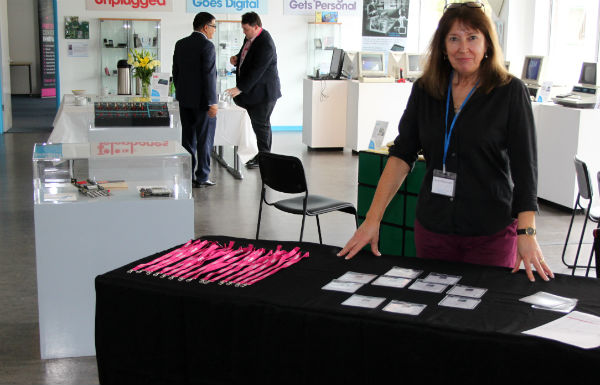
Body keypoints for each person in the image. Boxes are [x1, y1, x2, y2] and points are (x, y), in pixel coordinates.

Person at [338, 2, 554, 283]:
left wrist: (527, 232)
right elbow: (402, 154)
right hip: (434, 229)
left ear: (487, 44)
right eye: (454, 39)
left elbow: (526, 166)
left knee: (483, 315)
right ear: (443, 46)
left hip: (489, 232)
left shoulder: (509, 92)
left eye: (472, 38)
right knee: (430, 312)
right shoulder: (426, 90)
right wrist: (372, 219)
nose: (463, 48)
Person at [225, 12, 282, 169]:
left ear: (256, 27)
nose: (244, 32)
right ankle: (263, 155)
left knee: (261, 125)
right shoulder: (250, 37)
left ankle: (265, 158)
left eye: (246, 29)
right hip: (254, 92)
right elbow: (248, 55)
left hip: (264, 93)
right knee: (260, 125)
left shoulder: (266, 43)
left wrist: (240, 88)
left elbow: (257, 70)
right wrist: (237, 58)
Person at [173, 12, 218, 187]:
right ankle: (202, 176)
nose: (214, 31)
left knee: (188, 140)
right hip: (202, 103)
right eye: (213, 27)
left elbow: (175, 72)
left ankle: (188, 175)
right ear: (205, 27)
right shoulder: (207, 46)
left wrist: (181, 93)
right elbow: (209, 77)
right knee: (204, 140)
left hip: (185, 100)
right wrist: (212, 102)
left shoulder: (181, 44)